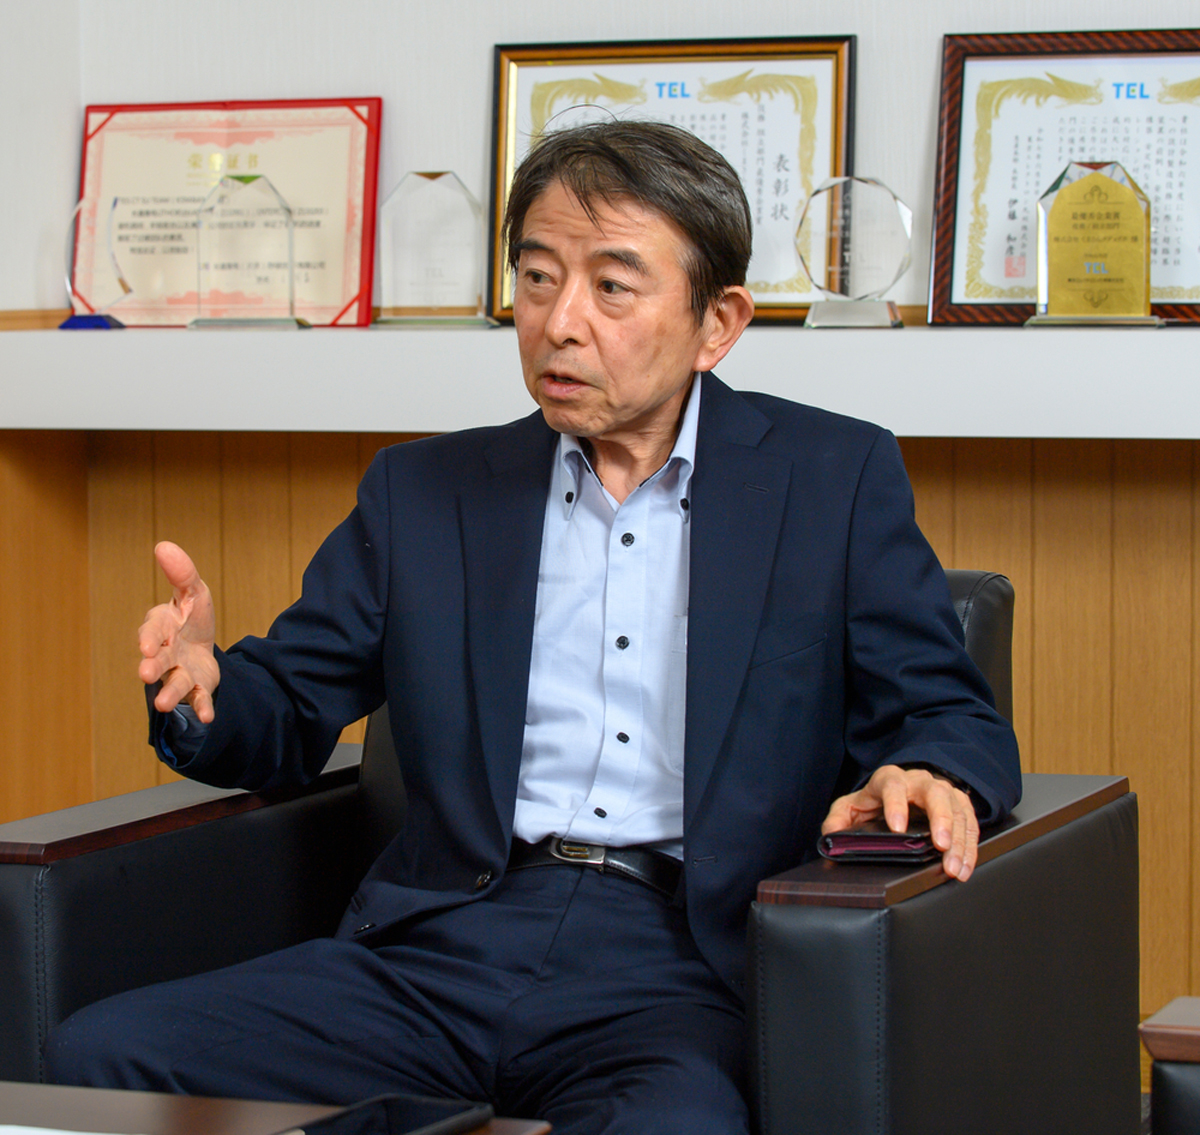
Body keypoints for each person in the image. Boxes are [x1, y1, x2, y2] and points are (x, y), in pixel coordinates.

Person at [46, 121, 1020, 1134]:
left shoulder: (830, 480)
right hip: (445, 941)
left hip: (681, 966)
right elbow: (289, 705)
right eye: (539, 277)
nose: (560, 323)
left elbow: (951, 713)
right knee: (101, 1054)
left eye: (613, 287)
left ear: (718, 322)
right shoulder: (425, 492)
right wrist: (206, 690)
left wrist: (929, 773)